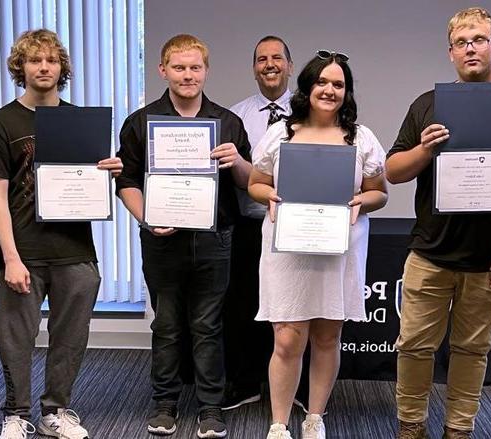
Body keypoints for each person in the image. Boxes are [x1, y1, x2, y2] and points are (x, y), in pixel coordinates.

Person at [384, 7, 491, 439]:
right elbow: (393, 170)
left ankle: (458, 429)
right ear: (451, 53)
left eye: (479, 39)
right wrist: (425, 152)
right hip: (431, 253)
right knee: (412, 347)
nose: (471, 48)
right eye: (462, 42)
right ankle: (411, 427)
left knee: (472, 350)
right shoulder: (429, 104)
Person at [0, 29, 123, 439]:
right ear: (20, 67)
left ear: (62, 68)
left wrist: (108, 172)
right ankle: (15, 413)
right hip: (23, 250)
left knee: (70, 337)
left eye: (52, 61)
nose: (44, 67)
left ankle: (55, 411)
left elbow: (90, 183)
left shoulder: (80, 121)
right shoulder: (1, 122)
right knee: (16, 338)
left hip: (75, 251)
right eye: (35, 60)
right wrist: (9, 257)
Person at [116, 34, 251, 438]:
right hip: (161, 239)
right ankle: (165, 404)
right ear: (163, 70)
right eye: (179, 67)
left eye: (194, 67)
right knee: (168, 325)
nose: (187, 75)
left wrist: (237, 161)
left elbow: (249, 182)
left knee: (209, 325)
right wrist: (147, 218)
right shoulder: (141, 122)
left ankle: (210, 408)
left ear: (205, 71)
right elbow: (126, 181)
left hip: (215, 239)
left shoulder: (227, 122)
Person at [248, 51, 388, 439]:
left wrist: (363, 200)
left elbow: (380, 193)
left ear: (347, 91)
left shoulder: (362, 137)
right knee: (287, 337)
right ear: (308, 87)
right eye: (322, 82)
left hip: (338, 248)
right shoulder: (281, 132)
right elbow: (255, 183)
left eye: (338, 84)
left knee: (327, 336)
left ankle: (314, 417)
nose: (329, 90)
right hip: (288, 248)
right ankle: (278, 424)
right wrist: (269, 197)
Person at [224, 35, 293, 410]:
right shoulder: (236, 116)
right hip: (248, 227)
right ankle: (247, 383)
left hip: (295, 229)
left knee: (294, 310)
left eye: (277, 58)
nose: (270, 64)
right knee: (245, 307)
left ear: (290, 66)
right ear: (254, 68)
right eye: (262, 59)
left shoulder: (308, 111)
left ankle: (293, 390)